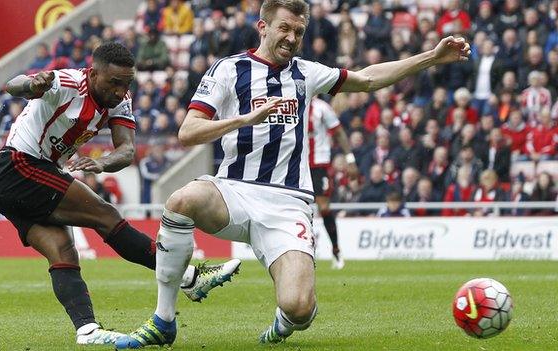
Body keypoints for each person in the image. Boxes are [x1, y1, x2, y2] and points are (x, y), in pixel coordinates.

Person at [114, 0, 471, 348]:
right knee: (181, 200)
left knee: (299, 308)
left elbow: (368, 79)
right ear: (263, 26)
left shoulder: (306, 73)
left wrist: (432, 58)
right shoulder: (228, 70)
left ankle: (283, 324)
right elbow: (188, 131)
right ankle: (163, 320)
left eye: (298, 31)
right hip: (233, 192)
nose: (291, 37)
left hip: (288, 204)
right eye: (284, 28)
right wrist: (244, 120)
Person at [0, 42, 240, 346]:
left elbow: (127, 150)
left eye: (127, 83)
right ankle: (190, 278)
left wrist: (101, 163)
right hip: (17, 166)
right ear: (93, 74)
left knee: (63, 250)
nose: (121, 91)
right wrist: (31, 83)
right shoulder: (66, 83)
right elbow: (12, 86)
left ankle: (87, 331)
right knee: (105, 216)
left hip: (25, 177)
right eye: (114, 82)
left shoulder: (120, 101)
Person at [307, 96, 353, 269]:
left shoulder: (322, 108)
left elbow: (338, 132)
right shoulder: (292, 104)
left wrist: (350, 158)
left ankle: (336, 250)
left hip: (319, 164)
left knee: (324, 207)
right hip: (297, 165)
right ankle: (304, 251)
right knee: (297, 209)